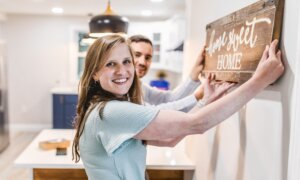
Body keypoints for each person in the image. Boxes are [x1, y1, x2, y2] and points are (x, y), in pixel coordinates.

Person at [72, 35, 284, 180]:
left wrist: (205, 102)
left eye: (126, 61)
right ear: (94, 73)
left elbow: (168, 139)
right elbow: (197, 124)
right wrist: (259, 81)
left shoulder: (108, 108)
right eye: (110, 64)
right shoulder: (110, 112)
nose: (122, 70)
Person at [129, 35, 205, 112]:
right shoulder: (124, 91)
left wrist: (193, 75)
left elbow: (169, 98)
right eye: (137, 55)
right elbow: (154, 114)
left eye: (148, 57)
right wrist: (196, 97)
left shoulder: (140, 86)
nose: (143, 62)